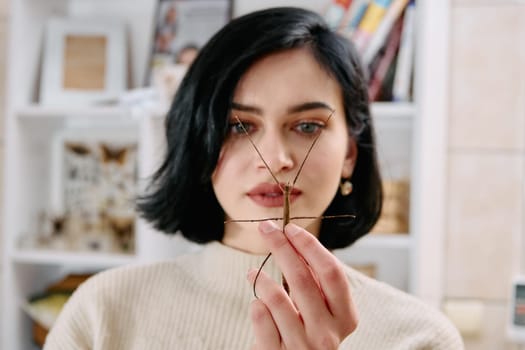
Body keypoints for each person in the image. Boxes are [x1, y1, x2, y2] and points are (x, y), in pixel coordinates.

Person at [44, 7, 463, 350]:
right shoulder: (104, 312)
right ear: (201, 143)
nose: (278, 160)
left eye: (308, 126)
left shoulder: (419, 338)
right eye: (240, 126)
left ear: (350, 154)